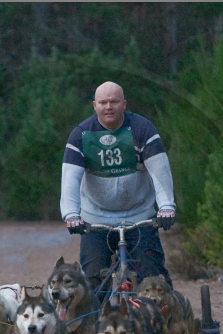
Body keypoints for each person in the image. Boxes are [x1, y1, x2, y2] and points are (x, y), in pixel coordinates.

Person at [60, 81, 177, 290]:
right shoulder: (81, 135)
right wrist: (70, 214)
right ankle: (94, 321)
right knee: (93, 285)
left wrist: (167, 206)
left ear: (124, 104)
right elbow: (70, 179)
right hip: (95, 219)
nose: (108, 107)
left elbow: (160, 172)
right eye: (103, 102)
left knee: (153, 279)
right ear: (94, 105)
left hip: (139, 216)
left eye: (114, 101)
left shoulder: (142, 129)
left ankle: (163, 320)